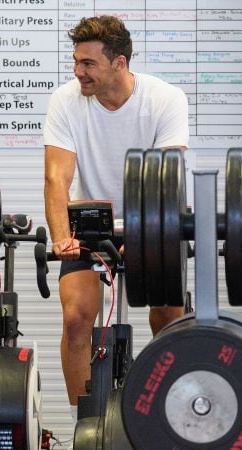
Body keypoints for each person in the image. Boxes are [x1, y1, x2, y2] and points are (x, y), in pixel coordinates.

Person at [43, 15, 189, 421]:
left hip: (154, 219)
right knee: (76, 318)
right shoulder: (66, 100)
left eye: (88, 63)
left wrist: (143, 231)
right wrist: (61, 238)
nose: (78, 72)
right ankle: (85, 424)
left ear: (119, 63)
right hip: (89, 223)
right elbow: (57, 177)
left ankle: (170, 416)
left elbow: (167, 176)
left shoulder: (165, 99)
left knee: (168, 319)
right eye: (76, 61)